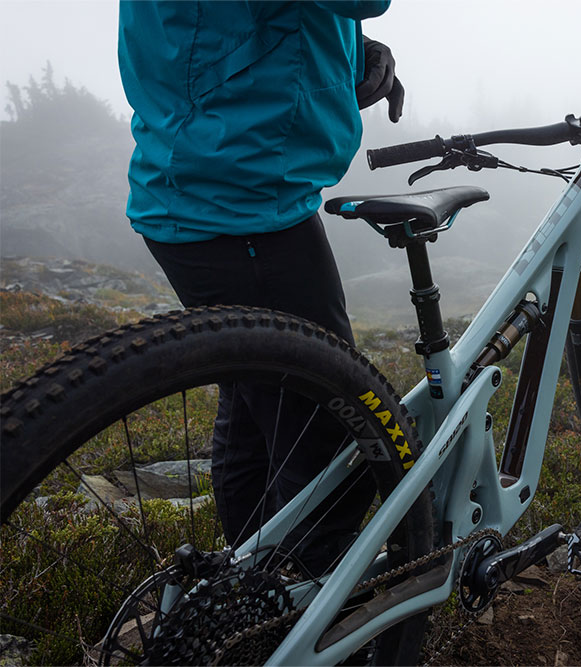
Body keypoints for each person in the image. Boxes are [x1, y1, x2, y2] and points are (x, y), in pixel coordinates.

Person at [118, 1, 403, 575]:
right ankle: (305, 618)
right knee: (329, 426)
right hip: (237, 196)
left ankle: (251, 593)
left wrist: (348, 52)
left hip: (216, 177)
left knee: (259, 404)